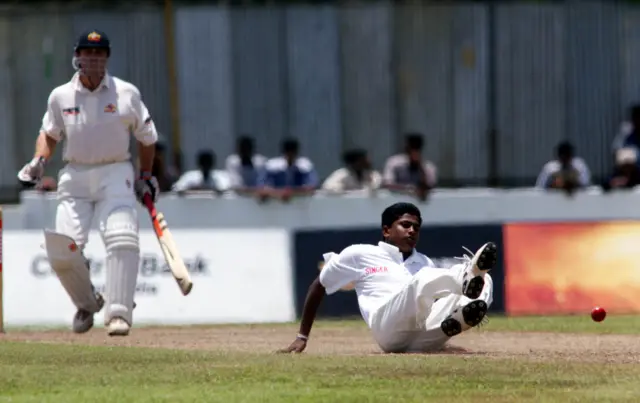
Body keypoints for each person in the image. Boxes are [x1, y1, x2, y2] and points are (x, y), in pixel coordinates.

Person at [17, 30, 159, 337]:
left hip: (115, 171)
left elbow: (147, 138)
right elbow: (50, 134)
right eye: (87, 53)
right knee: (60, 250)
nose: (92, 59)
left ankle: (119, 312)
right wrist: (39, 160)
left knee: (122, 237)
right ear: (76, 56)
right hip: (76, 174)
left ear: (107, 57)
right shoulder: (60, 96)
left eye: (98, 54)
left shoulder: (126, 93)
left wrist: (145, 175)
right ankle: (87, 303)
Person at [278, 202, 496, 354]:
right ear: (386, 231)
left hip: (419, 335)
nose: (412, 231)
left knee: (486, 280)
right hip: (386, 329)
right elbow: (319, 285)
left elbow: (428, 305)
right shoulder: (359, 253)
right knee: (423, 280)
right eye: (405, 225)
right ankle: (464, 278)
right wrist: (302, 336)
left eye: (416, 228)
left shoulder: (424, 261)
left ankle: (460, 319)